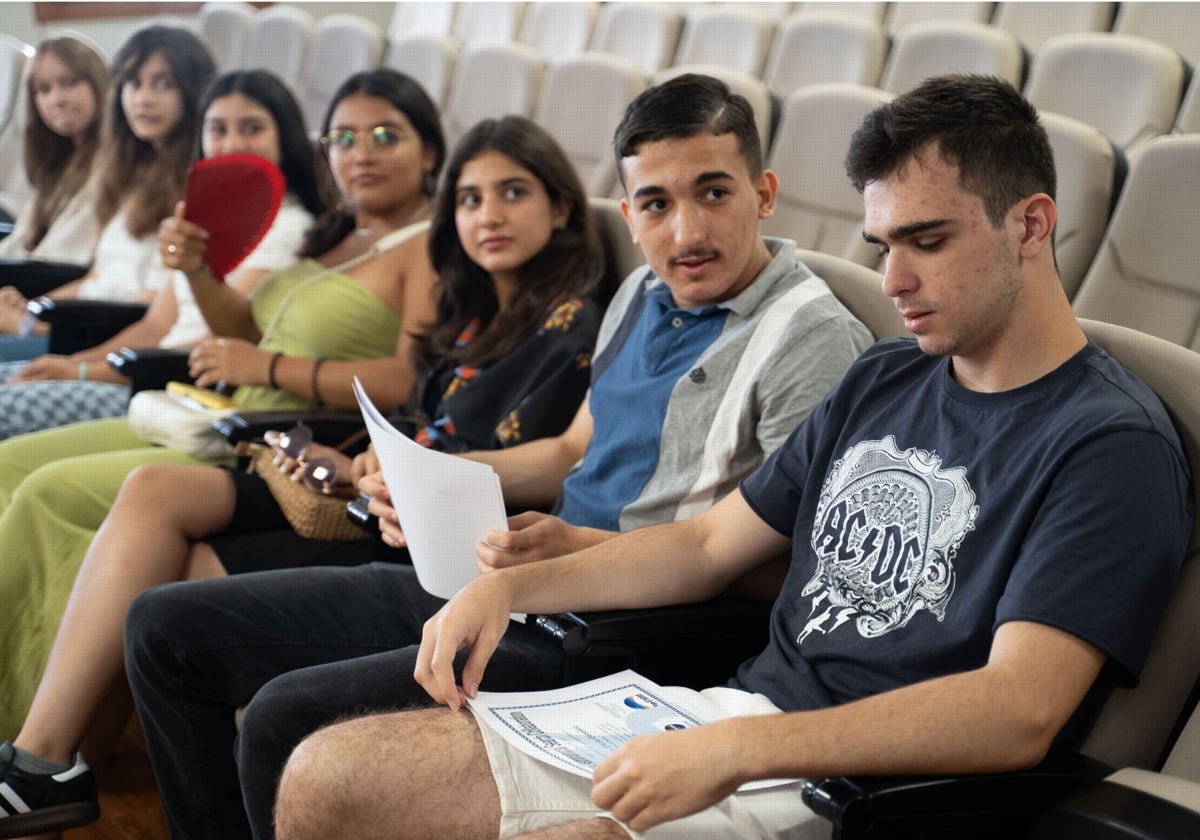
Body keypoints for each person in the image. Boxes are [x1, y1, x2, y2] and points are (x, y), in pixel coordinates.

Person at [264, 74, 1195, 840]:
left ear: (1032, 226)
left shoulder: (1109, 446)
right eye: (882, 245)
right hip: (732, 720)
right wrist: (509, 589)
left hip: (861, 793)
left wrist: (746, 752)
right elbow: (710, 545)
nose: (893, 281)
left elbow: (1016, 711)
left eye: (928, 241)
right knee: (325, 775)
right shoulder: (886, 378)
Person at [116, 73, 871, 840]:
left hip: (632, 625)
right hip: (524, 578)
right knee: (163, 629)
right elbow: (575, 449)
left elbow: (799, 577)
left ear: (764, 193)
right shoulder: (644, 291)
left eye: (714, 193)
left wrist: (586, 550)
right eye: (656, 204)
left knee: (282, 718)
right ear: (630, 214)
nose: (687, 233)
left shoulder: (810, 340)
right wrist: (431, 477)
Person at [0, 114, 604, 838]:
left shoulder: (576, 327)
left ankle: (52, 766)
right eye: (471, 200)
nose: (489, 215)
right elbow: (422, 423)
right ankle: (57, 765)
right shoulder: (474, 315)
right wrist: (357, 463)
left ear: (562, 206)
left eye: (513, 193)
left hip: (428, 549)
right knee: (163, 564)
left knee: (168, 572)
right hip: (370, 503)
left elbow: (540, 466)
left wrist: (408, 471)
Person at [0, 67, 443, 741]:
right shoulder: (332, 235)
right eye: (344, 137)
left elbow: (407, 379)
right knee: (11, 465)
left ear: (430, 150)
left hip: (279, 443)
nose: (361, 151)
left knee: (49, 494)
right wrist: (198, 272)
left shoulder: (428, 244)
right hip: (214, 412)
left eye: (386, 134)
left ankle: (33, 731)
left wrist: (266, 366)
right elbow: (245, 329)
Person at [0, 69, 325, 439]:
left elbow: (220, 341)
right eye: (217, 130)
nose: (233, 143)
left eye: (252, 128)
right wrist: (71, 363)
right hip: (138, 370)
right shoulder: (202, 219)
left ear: (285, 137)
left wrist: (85, 373)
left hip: (172, 387)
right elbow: (155, 325)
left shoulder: (290, 228)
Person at [0, 26, 216, 361]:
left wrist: (33, 325)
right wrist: (33, 310)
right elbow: (98, 276)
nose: (143, 98)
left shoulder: (194, 189)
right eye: (133, 83)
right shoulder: (133, 175)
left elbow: (150, 310)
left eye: (163, 84)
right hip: (81, 325)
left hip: (109, 343)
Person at [0, 35, 108, 264]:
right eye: (44, 89)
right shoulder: (55, 166)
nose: (56, 100)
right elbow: (18, 245)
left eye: (69, 83)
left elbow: (64, 256)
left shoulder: (110, 164)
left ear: (98, 84)